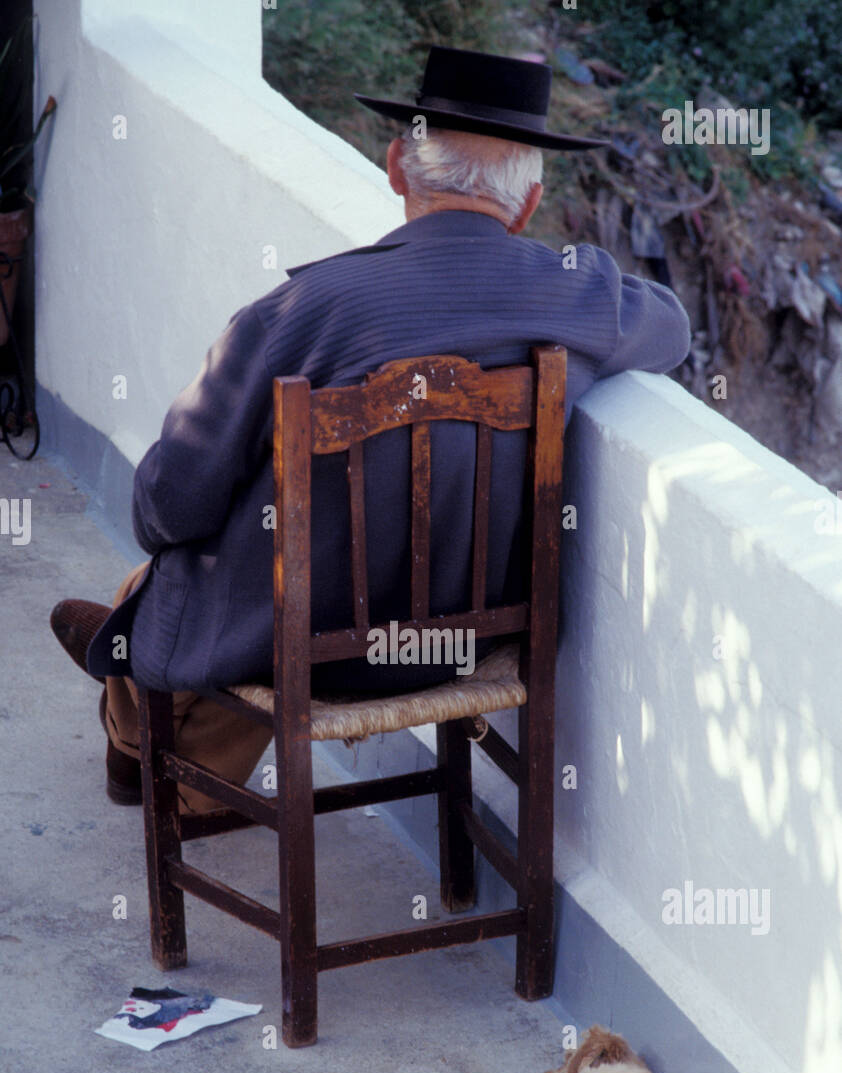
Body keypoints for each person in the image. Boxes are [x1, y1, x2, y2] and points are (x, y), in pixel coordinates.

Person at [50, 46, 690, 811]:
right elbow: (672, 328)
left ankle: (135, 715)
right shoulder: (579, 294)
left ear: (396, 165)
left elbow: (170, 507)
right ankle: (146, 700)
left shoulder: (297, 313)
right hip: (471, 645)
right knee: (227, 581)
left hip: (302, 655)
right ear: (527, 204)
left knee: (187, 577)